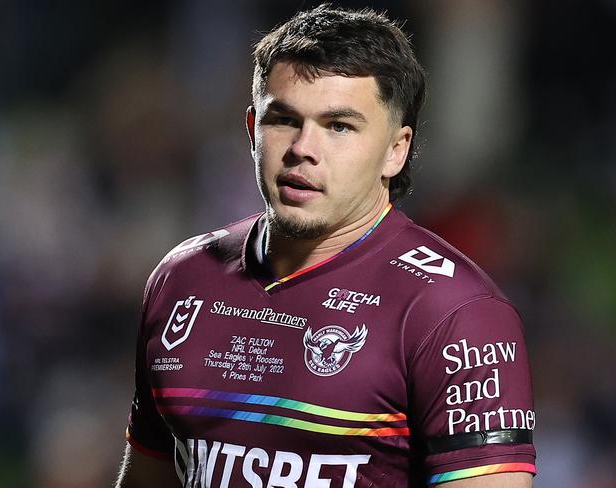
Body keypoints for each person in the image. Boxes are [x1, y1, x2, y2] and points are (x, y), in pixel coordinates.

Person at [115, 4, 536, 487]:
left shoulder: (455, 313)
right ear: (252, 130)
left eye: (339, 126)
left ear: (395, 150)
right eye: (284, 120)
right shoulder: (181, 279)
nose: (303, 148)